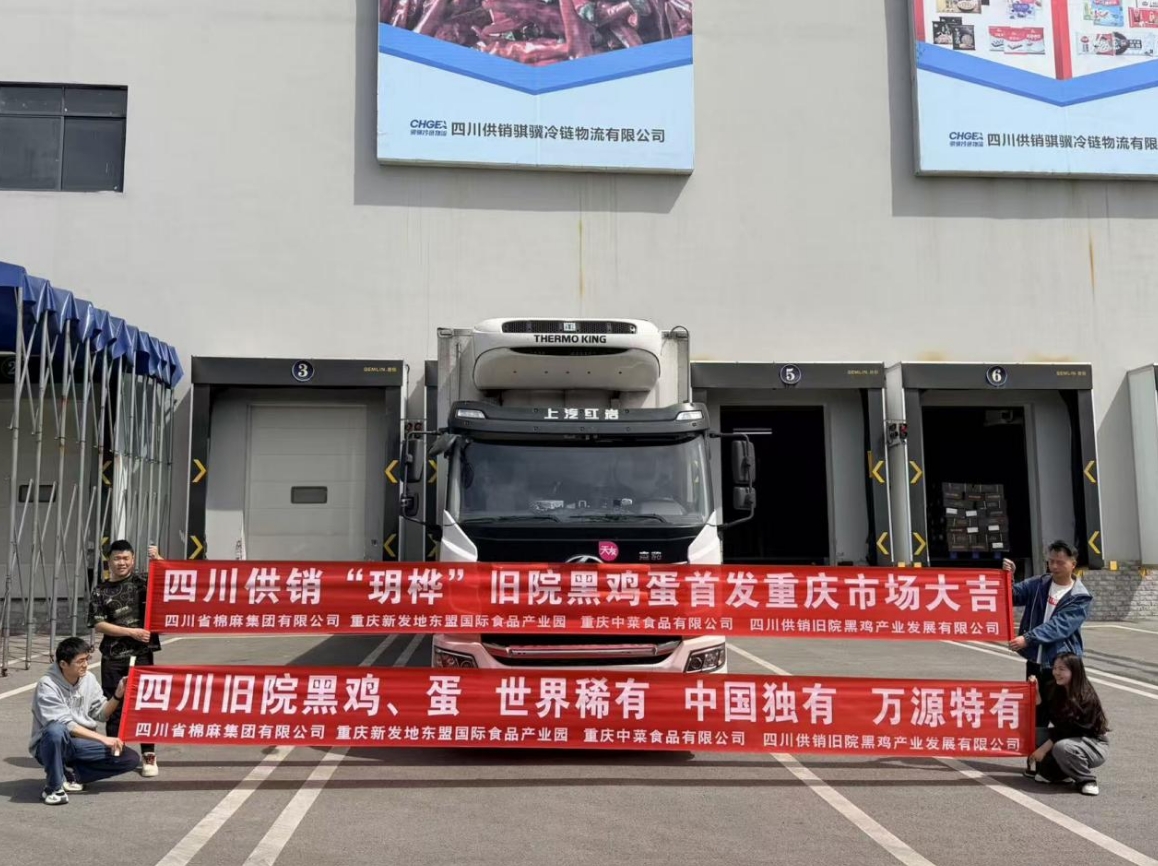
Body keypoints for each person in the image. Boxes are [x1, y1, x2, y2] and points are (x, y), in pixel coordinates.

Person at [1003, 539, 1093, 777]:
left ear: (1073, 564)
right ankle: (1035, 762)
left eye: (1059, 562)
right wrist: (1008, 577)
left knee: (1065, 713)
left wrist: (1028, 638)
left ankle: (1071, 765)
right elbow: (1011, 596)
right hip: (1035, 662)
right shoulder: (1039, 583)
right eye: (1051, 561)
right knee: (1036, 712)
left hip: (1062, 666)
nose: (1054, 566)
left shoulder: (1080, 596)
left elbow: (1060, 626)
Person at [29, 637, 141, 804]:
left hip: (80, 743)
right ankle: (53, 789)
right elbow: (65, 724)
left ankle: (72, 775)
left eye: (87, 659)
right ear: (63, 664)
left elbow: (101, 713)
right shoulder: (47, 685)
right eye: (80, 661)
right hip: (51, 744)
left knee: (129, 758)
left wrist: (118, 694)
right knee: (56, 730)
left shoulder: (88, 679)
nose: (85, 665)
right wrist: (104, 739)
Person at [86, 539, 162, 777]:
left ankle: (148, 754)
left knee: (145, 705)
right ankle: (115, 749)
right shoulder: (101, 590)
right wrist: (131, 632)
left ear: (133, 559)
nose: (121, 562)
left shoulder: (143, 583)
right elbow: (98, 624)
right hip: (113, 656)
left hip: (141, 655)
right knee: (114, 704)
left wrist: (158, 559)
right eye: (117, 558)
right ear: (109, 561)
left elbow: (168, 580)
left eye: (126, 558)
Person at [1028, 653, 1109, 796]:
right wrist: (1036, 693)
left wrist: (1043, 749)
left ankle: (1087, 780)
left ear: (1075, 671)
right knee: (1034, 734)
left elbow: (1070, 730)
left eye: (1062, 669)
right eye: (1055, 668)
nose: (1056, 673)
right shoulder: (1054, 688)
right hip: (1066, 737)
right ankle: (1060, 774)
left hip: (1091, 743)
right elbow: (1044, 713)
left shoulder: (1086, 697)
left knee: (1062, 747)